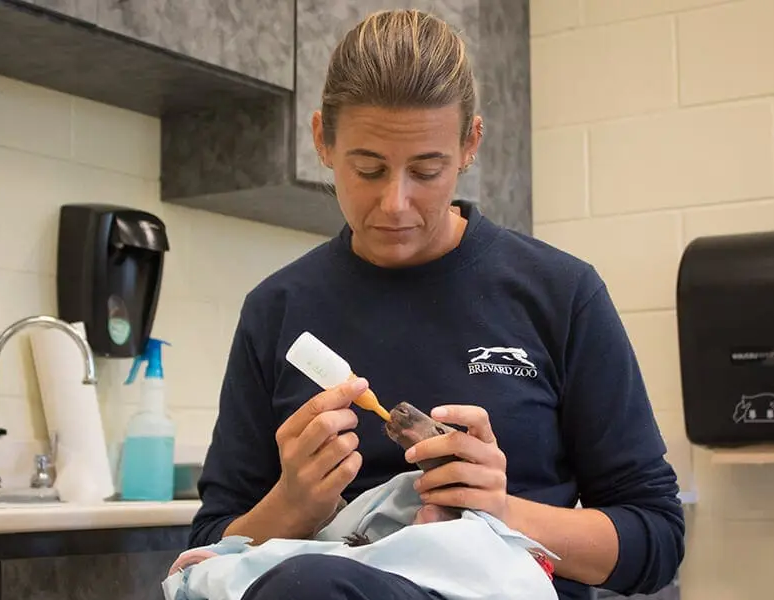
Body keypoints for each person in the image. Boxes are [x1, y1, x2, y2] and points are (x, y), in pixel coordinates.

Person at [189, 8, 685, 600]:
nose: (395, 203)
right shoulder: (276, 309)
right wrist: (291, 506)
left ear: (469, 143)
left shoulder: (560, 294)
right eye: (368, 169)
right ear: (323, 139)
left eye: (426, 170)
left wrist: (499, 509)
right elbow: (210, 547)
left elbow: (656, 537)